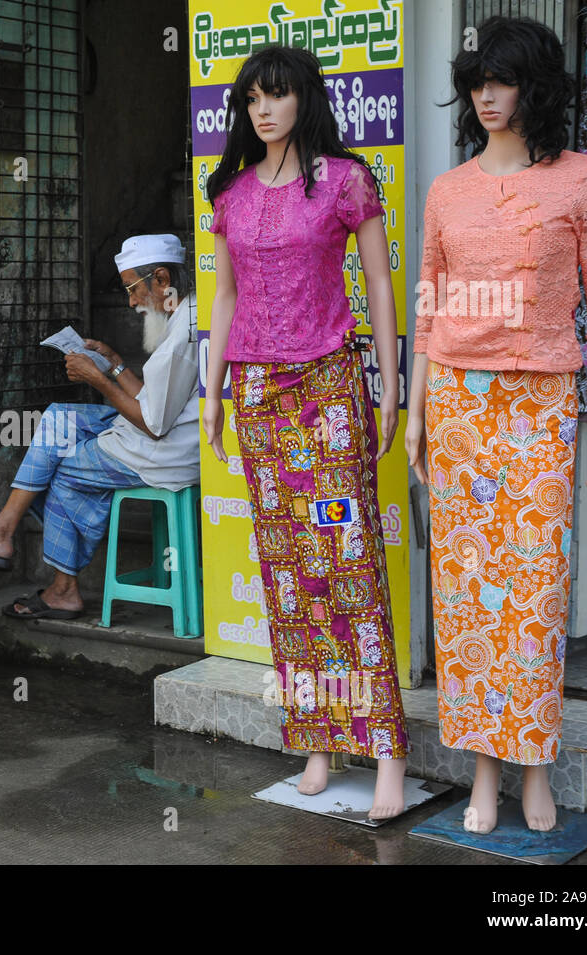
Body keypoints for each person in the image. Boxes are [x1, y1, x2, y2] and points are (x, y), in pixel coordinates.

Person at [406, 16, 587, 834]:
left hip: (540, 402)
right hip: (461, 403)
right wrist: (418, 413)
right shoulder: (448, 190)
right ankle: (483, 773)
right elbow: (429, 310)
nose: (486, 95)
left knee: (531, 595)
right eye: (475, 82)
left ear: (536, 86)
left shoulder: (583, 180)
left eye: (501, 80)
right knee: (465, 597)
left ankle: (536, 764)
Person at [201, 45, 409, 820]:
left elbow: (379, 283)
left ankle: (385, 746)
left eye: (278, 95)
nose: (263, 109)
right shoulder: (231, 190)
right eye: (252, 97)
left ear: (304, 101)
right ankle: (319, 740)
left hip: (327, 390)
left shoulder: (346, 182)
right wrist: (213, 390)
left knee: (348, 566)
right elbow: (223, 300)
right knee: (290, 576)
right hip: (257, 394)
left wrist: (389, 385)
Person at [0, 233, 200, 619]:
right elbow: (153, 403)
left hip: (163, 451)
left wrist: (98, 379)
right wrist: (114, 362)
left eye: (133, 289)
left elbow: (153, 424)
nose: (131, 302)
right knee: (58, 417)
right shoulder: (186, 315)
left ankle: (62, 588)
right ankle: (1, 532)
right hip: (159, 433)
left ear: (161, 279)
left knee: (64, 472)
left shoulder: (180, 337)